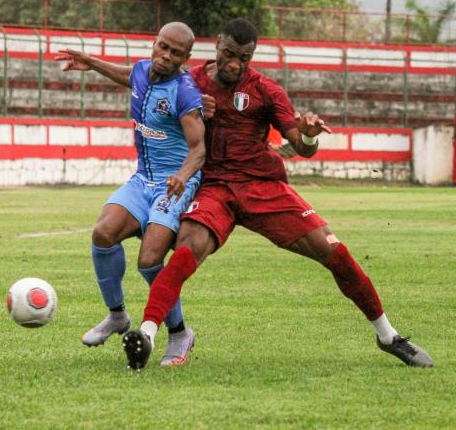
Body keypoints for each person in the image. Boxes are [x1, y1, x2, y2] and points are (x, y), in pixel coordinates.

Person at [122, 18, 433, 370]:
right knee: (187, 248)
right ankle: (146, 334)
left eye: (244, 57)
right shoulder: (189, 81)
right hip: (214, 188)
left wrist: (309, 134)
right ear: (217, 47)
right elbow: (145, 89)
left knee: (335, 252)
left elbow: (301, 147)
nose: (235, 64)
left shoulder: (267, 91)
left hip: (263, 187)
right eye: (228, 54)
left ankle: (388, 336)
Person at [55, 22, 208, 366]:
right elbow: (129, 75)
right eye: (162, 47)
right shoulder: (142, 70)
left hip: (174, 184)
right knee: (103, 233)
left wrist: (183, 176)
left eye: (175, 53)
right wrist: (90, 62)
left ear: (186, 58)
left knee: (149, 260)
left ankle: (180, 333)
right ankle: (118, 316)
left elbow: (199, 148)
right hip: (142, 180)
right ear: (154, 43)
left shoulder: (184, 92)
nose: (166, 57)